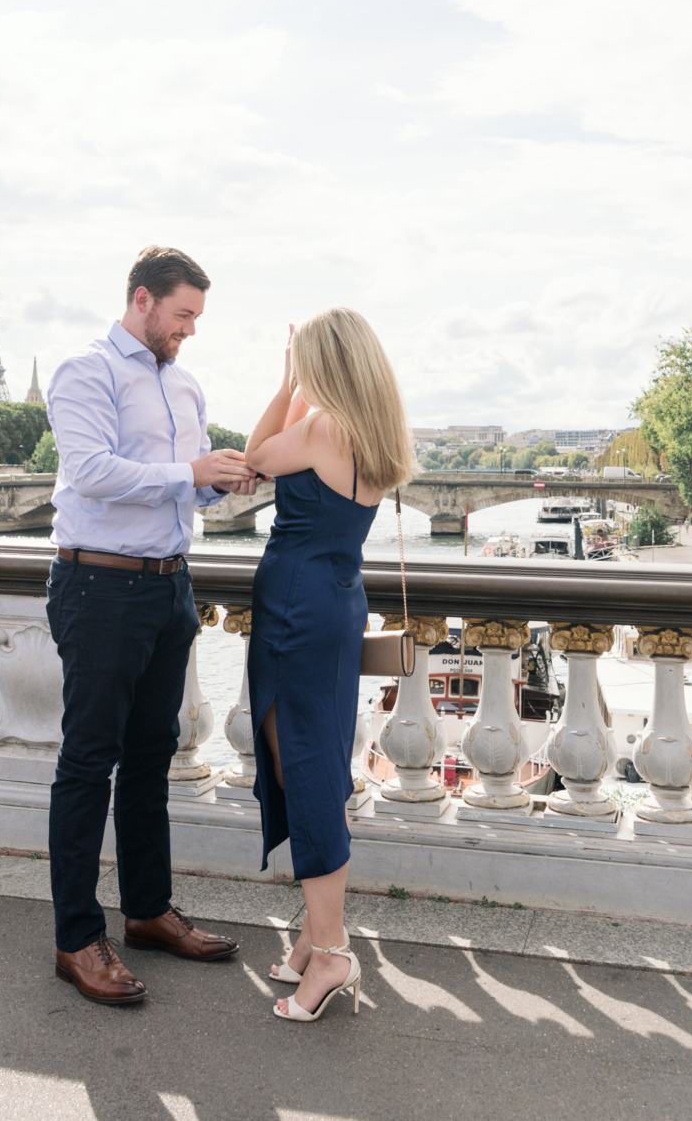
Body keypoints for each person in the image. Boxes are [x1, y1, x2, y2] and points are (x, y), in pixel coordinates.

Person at [44, 245, 259, 1006]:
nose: (190, 330)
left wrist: (222, 479)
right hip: (98, 585)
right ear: (142, 300)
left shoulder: (187, 386)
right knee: (88, 762)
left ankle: (145, 911)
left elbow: (181, 494)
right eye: (182, 315)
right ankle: (76, 939)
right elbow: (91, 470)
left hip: (168, 587)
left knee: (149, 758)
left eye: (196, 317)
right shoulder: (85, 371)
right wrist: (190, 473)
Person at [244, 308, 414, 1023]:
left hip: (293, 609)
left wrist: (285, 382)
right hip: (336, 603)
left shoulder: (319, 428)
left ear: (325, 364)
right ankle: (316, 942)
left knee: (305, 769)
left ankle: (335, 950)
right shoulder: (372, 434)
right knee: (307, 762)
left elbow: (252, 458)